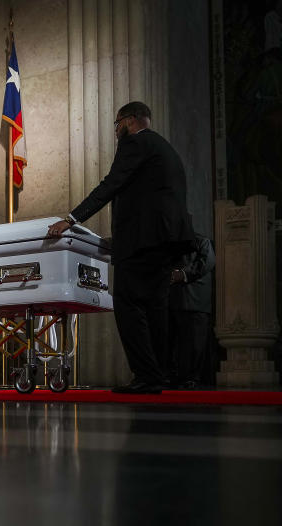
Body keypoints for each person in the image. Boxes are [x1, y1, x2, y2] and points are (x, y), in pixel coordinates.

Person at [47, 101, 194, 394]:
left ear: (128, 121)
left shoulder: (135, 144)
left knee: (127, 305)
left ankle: (146, 376)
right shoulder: (165, 149)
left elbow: (111, 184)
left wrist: (71, 219)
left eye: (116, 125)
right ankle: (158, 375)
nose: (116, 132)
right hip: (165, 242)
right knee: (156, 308)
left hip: (143, 244)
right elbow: (150, 199)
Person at [168, 234, 215, 389]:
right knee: (174, 343)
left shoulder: (202, 241)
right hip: (174, 301)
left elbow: (208, 261)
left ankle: (192, 378)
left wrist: (183, 274)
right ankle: (174, 376)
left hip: (196, 302)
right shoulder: (171, 242)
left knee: (195, 344)